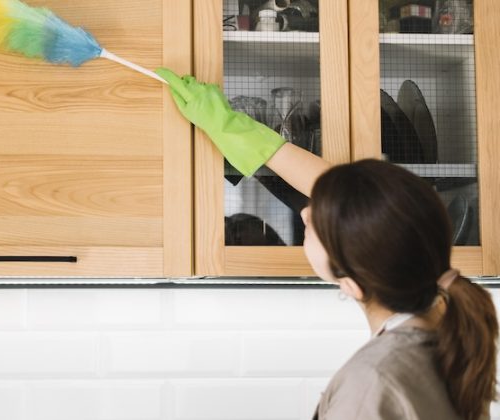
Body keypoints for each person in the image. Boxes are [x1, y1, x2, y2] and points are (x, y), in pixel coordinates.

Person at [155, 68, 498, 420]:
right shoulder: (448, 346)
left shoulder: (373, 382)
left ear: (349, 281)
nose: (304, 215)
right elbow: (354, 198)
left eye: (315, 226)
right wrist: (231, 126)